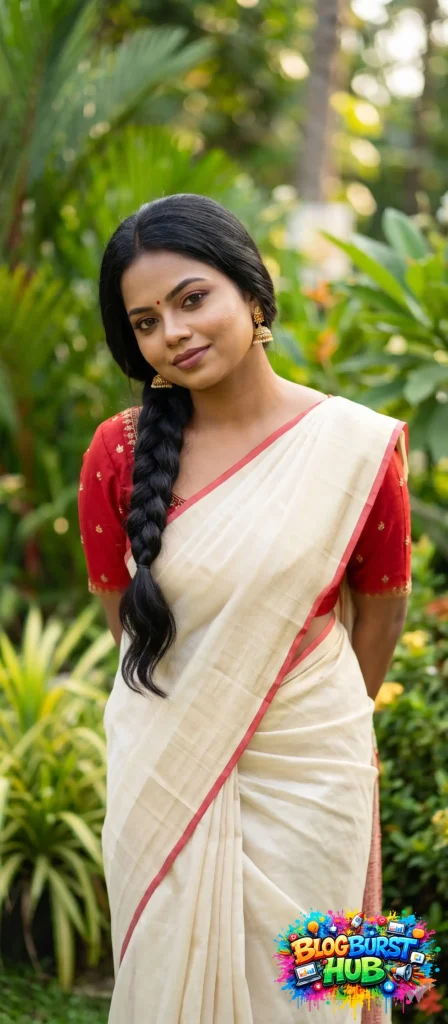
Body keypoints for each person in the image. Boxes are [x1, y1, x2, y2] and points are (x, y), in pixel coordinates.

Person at [78, 194, 411, 1024]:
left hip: (313, 769)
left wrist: (308, 712)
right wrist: (211, 711)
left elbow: (378, 615)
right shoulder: (116, 454)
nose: (175, 332)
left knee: (319, 991)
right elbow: (126, 624)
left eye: (193, 299)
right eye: (146, 320)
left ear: (252, 296)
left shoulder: (355, 446)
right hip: (164, 760)